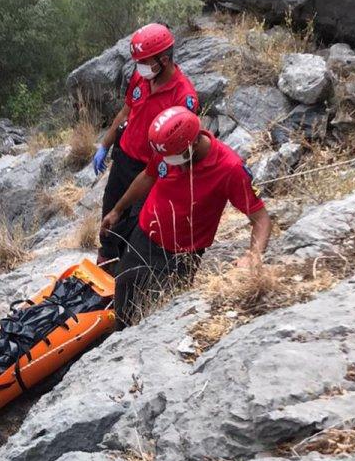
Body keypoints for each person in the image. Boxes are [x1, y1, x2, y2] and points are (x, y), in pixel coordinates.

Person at [102, 106, 272, 328]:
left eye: (174, 159)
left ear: (191, 145)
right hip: (143, 239)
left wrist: (253, 256)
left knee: (159, 315)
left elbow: (261, 219)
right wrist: (117, 209)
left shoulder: (230, 169)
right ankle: (117, 337)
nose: (171, 165)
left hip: (180, 257)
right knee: (124, 290)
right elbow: (147, 176)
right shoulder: (168, 146)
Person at [93, 23, 200, 268]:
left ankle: (124, 278)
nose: (139, 67)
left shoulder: (183, 97)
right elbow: (125, 111)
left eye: (145, 61)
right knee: (109, 218)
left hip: (150, 172)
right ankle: (104, 265)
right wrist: (105, 145)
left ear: (163, 59)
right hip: (123, 160)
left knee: (136, 228)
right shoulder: (143, 76)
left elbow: (176, 149)